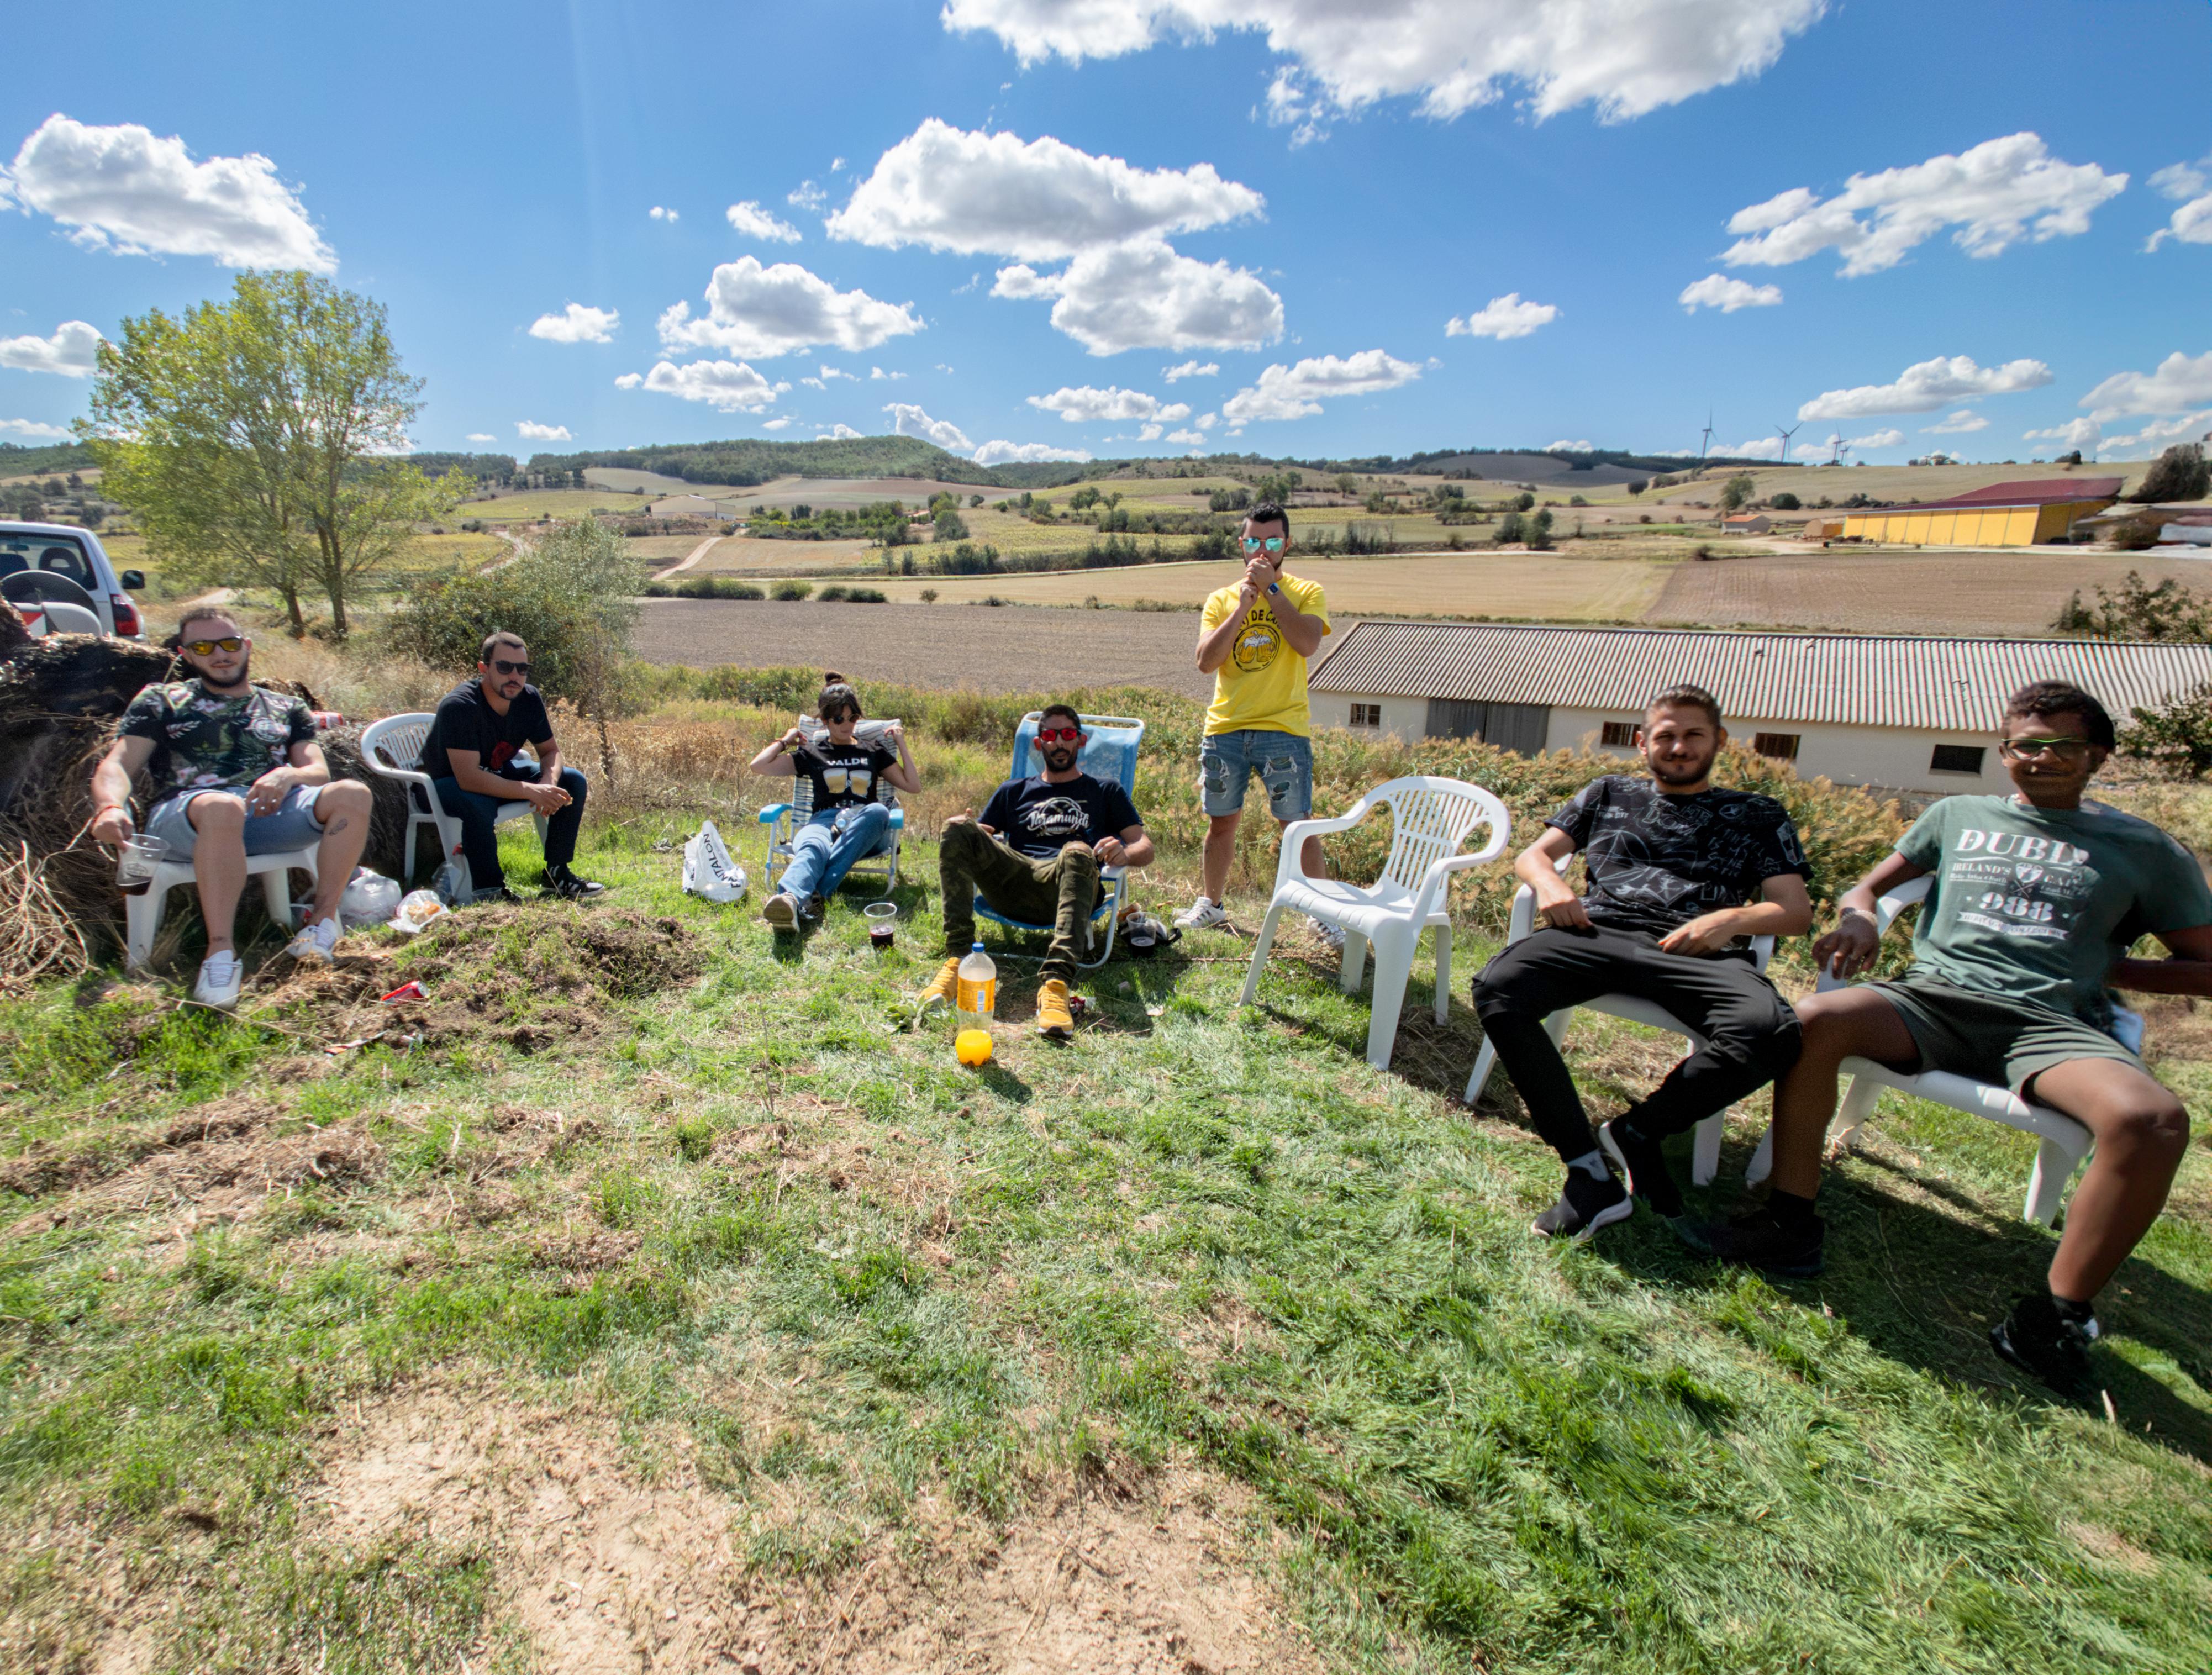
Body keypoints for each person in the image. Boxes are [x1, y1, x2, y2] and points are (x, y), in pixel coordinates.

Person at [1692, 681, 2212, 1397]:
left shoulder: (2147, 850)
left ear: (2098, 754)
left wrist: (2109, 964)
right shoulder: (1956, 814)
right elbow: (1867, 889)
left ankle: (2054, 1317)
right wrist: (1862, 919)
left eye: (2062, 745)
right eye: (2026, 744)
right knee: (1812, 1022)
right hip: (1931, 1001)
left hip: (2054, 1024)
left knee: (2151, 1121)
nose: (2041, 758)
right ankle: (1788, 1223)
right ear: (2005, 753)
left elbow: (2206, 968)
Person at [1471, 684, 1814, 1240]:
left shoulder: (1756, 814)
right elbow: (1532, 854)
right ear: (1641, 743)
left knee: (1770, 1031)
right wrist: (1550, 885)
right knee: (1498, 987)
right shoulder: (1608, 792)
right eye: (1665, 735)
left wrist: (1727, 920)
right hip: (1596, 930)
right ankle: (1586, 1169)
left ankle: (1636, 1131)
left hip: (1697, 948)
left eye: (1692, 734)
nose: (1678, 746)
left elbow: (1793, 910)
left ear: (1718, 740)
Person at [87, 609, 375, 1005]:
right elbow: (119, 764)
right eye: (203, 647)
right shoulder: (162, 700)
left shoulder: (286, 707)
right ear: (186, 655)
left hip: (265, 813)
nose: (220, 654)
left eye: (229, 644)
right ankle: (220, 952)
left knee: (353, 794)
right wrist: (109, 807)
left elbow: (317, 771)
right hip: (187, 818)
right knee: (223, 807)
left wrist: (284, 776)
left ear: (246, 646)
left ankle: (320, 922)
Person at [919, 703, 1154, 1039]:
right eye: (1050, 736)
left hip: (1069, 886)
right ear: (1038, 743)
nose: (1059, 743)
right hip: (1015, 882)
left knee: (1075, 850)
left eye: (1068, 735)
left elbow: (1145, 848)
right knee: (956, 826)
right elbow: (984, 836)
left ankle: (1056, 984)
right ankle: (959, 962)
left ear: (1081, 741)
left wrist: (1123, 852)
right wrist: (973, 832)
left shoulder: (1105, 790)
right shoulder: (1013, 791)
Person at [1175, 503, 1338, 945]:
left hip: (1283, 729)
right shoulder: (1222, 599)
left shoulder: (1306, 590)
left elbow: (1306, 643)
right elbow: (1206, 663)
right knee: (1221, 823)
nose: (1261, 550)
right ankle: (1212, 905)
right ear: (1241, 545)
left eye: (1271, 542)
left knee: (1297, 825)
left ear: (1287, 544)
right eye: (1252, 541)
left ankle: (1321, 914)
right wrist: (1244, 607)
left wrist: (1273, 593)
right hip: (1226, 727)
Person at [417, 631, 603, 902]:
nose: (514, 676)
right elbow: (469, 778)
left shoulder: (528, 699)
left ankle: (557, 875)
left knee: (572, 780)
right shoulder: (460, 706)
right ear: (484, 668)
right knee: (476, 802)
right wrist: (529, 790)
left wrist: (547, 784)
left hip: (493, 775)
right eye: (504, 667)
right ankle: (489, 892)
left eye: (522, 669)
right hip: (443, 785)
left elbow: (550, 752)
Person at [750, 678, 920, 929]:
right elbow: (758, 766)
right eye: (839, 719)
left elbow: (913, 786)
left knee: (878, 810)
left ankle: (802, 895)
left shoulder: (873, 751)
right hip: (823, 821)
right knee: (812, 845)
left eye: (853, 718)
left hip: (866, 830)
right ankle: (790, 901)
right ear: (826, 721)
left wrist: (901, 744)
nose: (847, 725)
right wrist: (786, 740)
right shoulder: (813, 753)